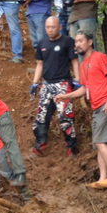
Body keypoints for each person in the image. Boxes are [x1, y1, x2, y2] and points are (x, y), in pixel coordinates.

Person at [55, 31, 107, 189]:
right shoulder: (84, 64)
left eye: (80, 41)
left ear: (90, 42)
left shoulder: (100, 57)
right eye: (76, 42)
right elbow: (85, 88)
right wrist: (66, 96)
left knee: (99, 141)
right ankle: (103, 178)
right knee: (100, 143)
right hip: (97, 106)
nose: (77, 44)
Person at [30, 16, 79, 157]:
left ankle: (71, 149)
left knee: (65, 117)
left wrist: (78, 79)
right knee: (41, 117)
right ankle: (39, 147)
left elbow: (74, 61)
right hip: (46, 84)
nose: (50, 30)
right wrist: (35, 83)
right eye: (47, 27)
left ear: (59, 27)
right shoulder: (42, 43)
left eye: (52, 27)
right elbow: (39, 64)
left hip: (63, 83)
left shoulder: (67, 41)